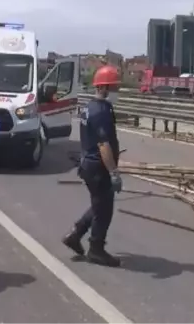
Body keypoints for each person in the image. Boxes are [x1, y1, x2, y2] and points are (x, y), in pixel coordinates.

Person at [62, 65, 123, 267]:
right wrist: (114, 172)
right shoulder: (101, 112)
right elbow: (104, 145)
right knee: (104, 210)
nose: (117, 92)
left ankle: (75, 234)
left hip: (89, 164)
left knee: (99, 205)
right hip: (98, 168)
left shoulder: (90, 107)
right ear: (104, 87)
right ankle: (96, 249)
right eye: (115, 88)